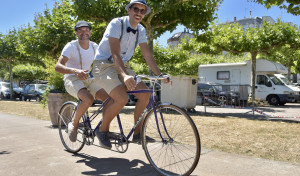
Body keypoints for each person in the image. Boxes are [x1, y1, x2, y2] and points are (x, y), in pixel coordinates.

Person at [92, 0, 169, 149]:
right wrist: (125, 76)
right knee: (122, 98)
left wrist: (160, 74)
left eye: (142, 11)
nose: (139, 13)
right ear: (129, 10)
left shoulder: (140, 30)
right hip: (103, 65)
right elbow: (115, 54)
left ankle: (137, 134)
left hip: (123, 66)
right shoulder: (116, 23)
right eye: (136, 9)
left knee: (145, 94)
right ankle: (102, 130)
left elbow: (148, 55)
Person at [55, 21, 109, 142]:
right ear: (76, 33)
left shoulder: (95, 46)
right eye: (80, 30)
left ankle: (103, 129)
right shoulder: (71, 46)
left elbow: (105, 63)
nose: (84, 32)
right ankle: (74, 124)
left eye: (86, 30)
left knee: (109, 99)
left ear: (90, 31)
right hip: (72, 78)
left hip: (89, 78)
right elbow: (58, 66)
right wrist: (75, 71)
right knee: (88, 99)